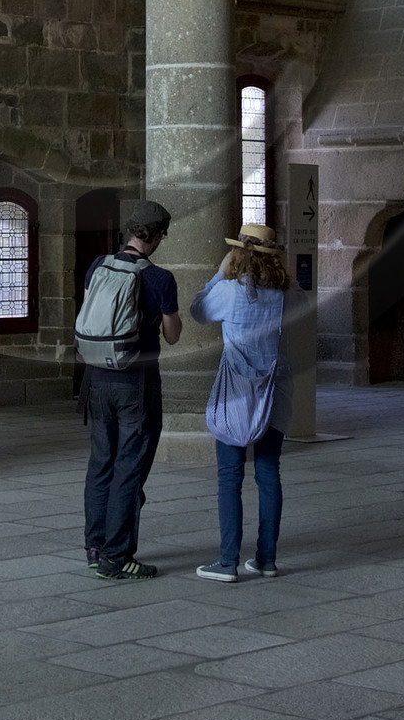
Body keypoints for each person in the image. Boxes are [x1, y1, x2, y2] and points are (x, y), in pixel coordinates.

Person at [79, 200, 181, 581]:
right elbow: (172, 336)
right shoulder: (159, 278)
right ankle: (118, 556)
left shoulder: (98, 266)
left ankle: (95, 547)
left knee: (100, 464)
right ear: (153, 237)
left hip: (96, 380)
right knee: (129, 468)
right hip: (136, 385)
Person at [192, 221, 291, 581]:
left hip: (237, 394)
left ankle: (228, 562)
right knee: (268, 474)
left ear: (239, 253)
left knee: (229, 477)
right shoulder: (289, 295)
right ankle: (266, 559)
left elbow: (198, 310)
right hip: (276, 392)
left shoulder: (231, 291)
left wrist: (218, 275)